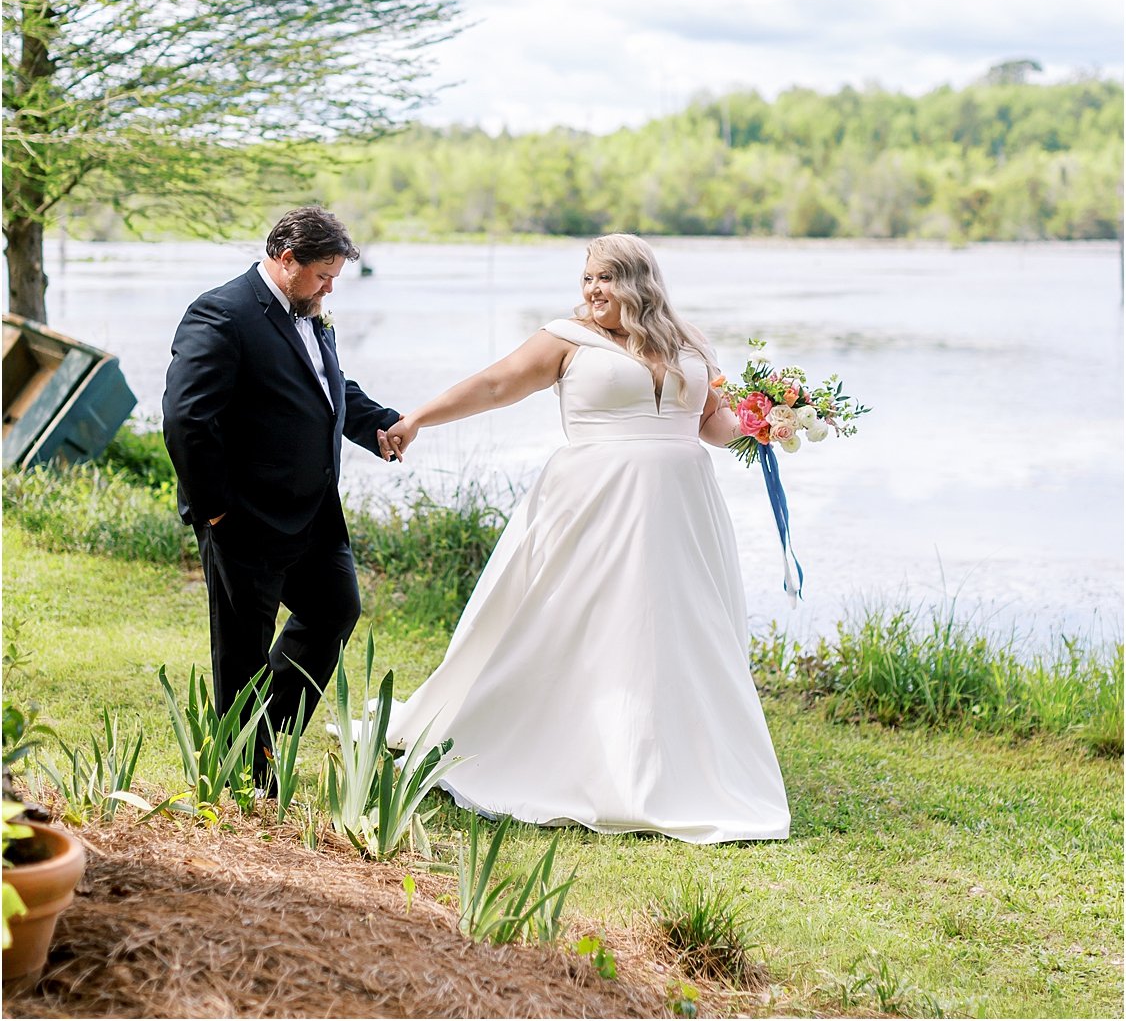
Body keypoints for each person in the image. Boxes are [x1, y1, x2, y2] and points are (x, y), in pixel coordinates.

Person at [380, 233, 790, 844]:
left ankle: (680, 758)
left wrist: (767, 422)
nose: (593, 291)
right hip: (592, 504)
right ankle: (564, 749)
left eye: (607, 278)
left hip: (680, 509)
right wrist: (416, 419)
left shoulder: (689, 341)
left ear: (641, 284)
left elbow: (712, 424)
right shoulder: (566, 338)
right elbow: (495, 386)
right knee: (581, 622)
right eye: (587, 279)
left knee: (677, 626)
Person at [162, 206, 401, 788]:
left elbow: (325, 384)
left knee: (334, 608)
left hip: (313, 511)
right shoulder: (222, 313)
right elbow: (187, 418)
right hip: (244, 515)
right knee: (243, 651)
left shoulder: (309, 309)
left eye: (335, 277)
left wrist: (380, 425)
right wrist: (216, 508)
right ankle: (246, 776)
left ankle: (260, 740)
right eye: (323, 274)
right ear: (286, 258)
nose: (329, 287)